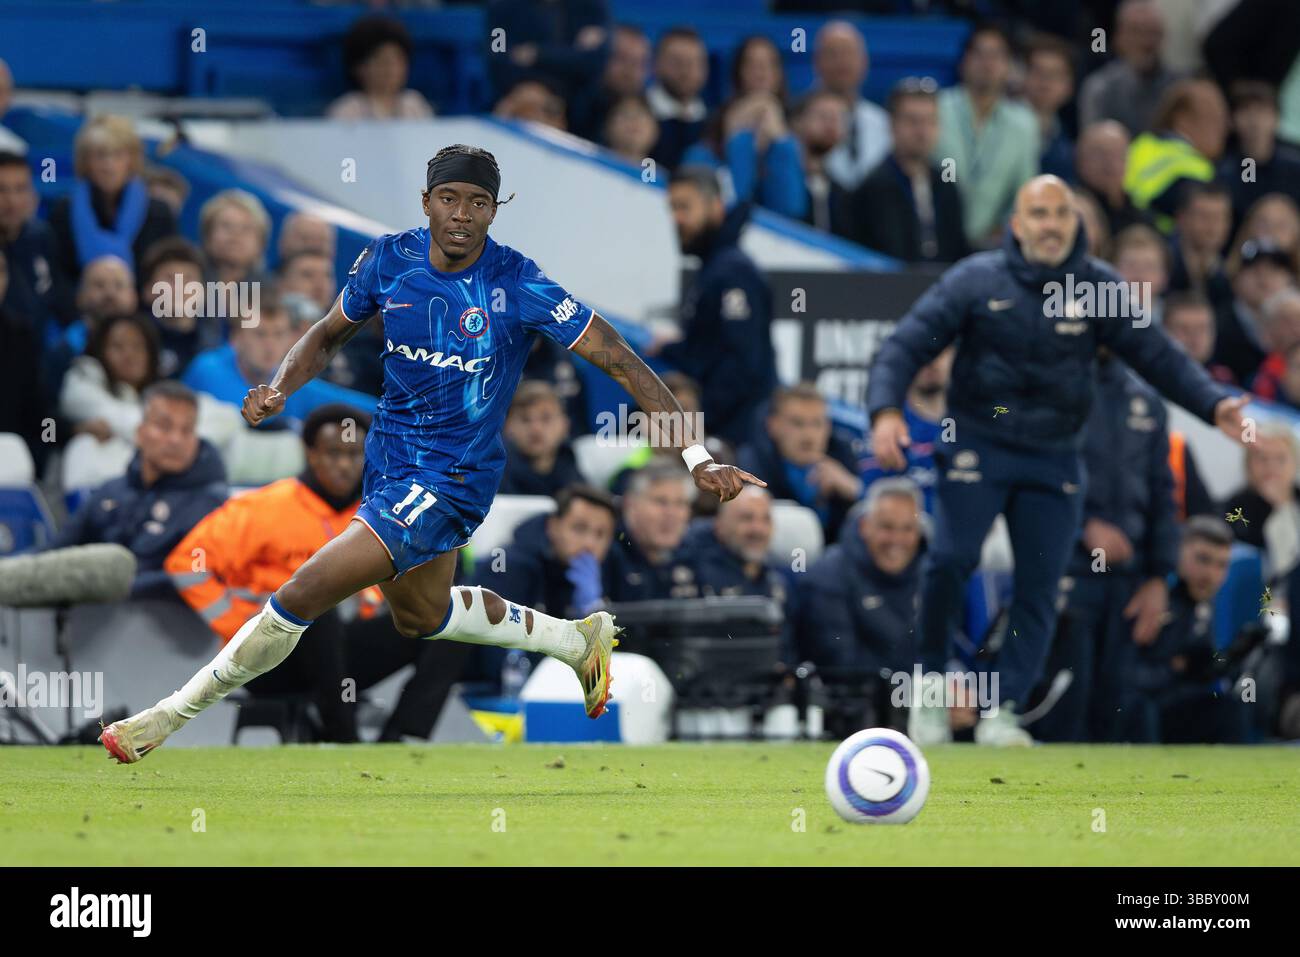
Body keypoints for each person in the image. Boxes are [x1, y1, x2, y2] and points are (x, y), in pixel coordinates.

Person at [100, 143, 762, 763]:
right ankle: (573, 639)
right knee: (422, 616)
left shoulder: (517, 282)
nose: (463, 215)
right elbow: (328, 334)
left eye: (478, 202)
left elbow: (618, 358)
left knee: (304, 589)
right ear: (426, 201)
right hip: (389, 464)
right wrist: (278, 384)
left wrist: (697, 458)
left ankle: (164, 719)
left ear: (495, 211)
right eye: (451, 198)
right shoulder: (388, 260)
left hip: (454, 477)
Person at [868, 174, 1247, 747]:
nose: (1050, 225)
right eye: (1038, 214)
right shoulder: (976, 279)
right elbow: (907, 343)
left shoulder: (1099, 288)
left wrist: (1212, 401)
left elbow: (1157, 354)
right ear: (1016, 225)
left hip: (1054, 457)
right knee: (950, 558)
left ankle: (1004, 708)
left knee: (1042, 585)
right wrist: (883, 412)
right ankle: (926, 690)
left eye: (1061, 214)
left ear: (1078, 224)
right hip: (979, 444)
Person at [1033, 348, 1179, 743]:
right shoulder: (1051, 390)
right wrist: (1082, 525)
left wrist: (1158, 578)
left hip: (1129, 581)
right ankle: (1049, 799)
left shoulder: (1145, 400)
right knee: (1066, 701)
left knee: (1118, 704)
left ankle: (1113, 804)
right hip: (1068, 571)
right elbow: (1034, 474)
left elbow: (1163, 494)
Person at [52, 381, 227, 598]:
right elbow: (54, 552)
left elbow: (194, 576)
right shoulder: (109, 491)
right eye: (164, 426)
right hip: (89, 622)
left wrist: (108, 587)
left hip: (168, 626)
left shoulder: (212, 504)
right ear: (140, 433)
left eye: (187, 430)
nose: (176, 440)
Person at [655, 166, 775, 446]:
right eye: (672, 209)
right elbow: (709, 351)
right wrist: (672, 348)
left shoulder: (733, 272)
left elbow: (742, 364)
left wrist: (699, 421)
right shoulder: (715, 267)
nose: (677, 219)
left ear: (716, 206)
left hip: (735, 438)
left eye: (685, 207)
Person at [797, 478, 924, 729]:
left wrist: (953, 691)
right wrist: (923, 695)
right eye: (887, 527)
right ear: (865, 526)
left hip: (921, 713)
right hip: (852, 721)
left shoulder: (930, 575)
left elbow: (945, 648)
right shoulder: (829, 574)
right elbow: (841, 665)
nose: (897, 539)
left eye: (907, 529)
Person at [472, 484, 619, 687]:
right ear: (553, 526)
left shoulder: (599, 573)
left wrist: (593, 612)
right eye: (579, 528)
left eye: (600, 534)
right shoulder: (510, 569)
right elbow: (499, 662)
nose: (589, 543)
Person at [1128, 515, 1251, 743]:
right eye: (1202, 559)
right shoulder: (1153, 595)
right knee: (1141, 709)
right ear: (1177, 551)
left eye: (1221, 565)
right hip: (1139, 709)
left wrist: (1230, 658)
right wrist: (1174, 669)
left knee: (1230, 708)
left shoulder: (1203, 601)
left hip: (1173, 705)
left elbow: (1198, 670)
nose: (1211, 574)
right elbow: (1123, 675)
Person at [182, 292, 378, 424]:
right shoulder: (205, 370)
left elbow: (349, 404)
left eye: (278, 334)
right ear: (236, 338)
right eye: (260, 334)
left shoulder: (295, 382)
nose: (270, 345)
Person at [935, 23, 1039, 250]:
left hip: (994, 245)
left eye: (996, 55)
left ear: (1009, 66)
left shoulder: (1024, 123)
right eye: (979, 54)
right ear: (964, 62)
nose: (987, 63)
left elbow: (1024, 190)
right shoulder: (937, 108)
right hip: (936, 234)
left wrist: (1003, 230)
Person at [845, 78, 967, 264]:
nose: (922, 131)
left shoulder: (946, 182)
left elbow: (958, 246)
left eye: (930, 121)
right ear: (892, 125)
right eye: (913, 121)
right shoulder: (873, 187)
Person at [46, 115, 177, 280]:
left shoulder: (159, 213)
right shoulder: (63, 211)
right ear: (85, 161)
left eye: (118, 155)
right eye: (100, 155)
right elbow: (57, 276)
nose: (109, 166)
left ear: (132, 159)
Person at [738, 383, 862, 543]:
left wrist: (852, 489)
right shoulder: (750, 465)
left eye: (817, 424)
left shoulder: (845, 457)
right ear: (773, 426)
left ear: (828, 427)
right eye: (798, 423)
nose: (809, 435)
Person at [1125, 79, 1229, 234]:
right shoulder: (1197, 168)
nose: (1224, 129)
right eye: (1214, 119)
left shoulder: (1139, 144)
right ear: (1182, 119)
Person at [860, 348, 952, 515]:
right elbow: (873, 501)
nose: (931, 361)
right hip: (907, 533)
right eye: (923, 352)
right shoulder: (889, 424)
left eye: (939, 352)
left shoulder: (974, 422)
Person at [1078, 0, 1181, 136]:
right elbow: (1094, 142)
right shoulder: (1100, 87)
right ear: (1118, 37)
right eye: (1137, 31)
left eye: (1153, 32)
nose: (1146, 41)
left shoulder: (1179, 86)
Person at [0, 150, 72, 337]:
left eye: (20, 189)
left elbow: (60, 299)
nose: (12, 201)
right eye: (2, 190)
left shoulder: (41, 236)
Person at [604, 462, 699, 602]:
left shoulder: (692, 554)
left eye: (680, 503)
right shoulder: (606, 554)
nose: (671, 514)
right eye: (661, 502)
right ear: (630, 505)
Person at [813, 21, 890, 192]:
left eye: (848, 53)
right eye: (833, 53)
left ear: (864, 62)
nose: (841, 62)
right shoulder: (800, 121)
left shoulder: (884, 123)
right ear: (817, 62)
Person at [1213, 238, 1297, 385]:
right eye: (1255, 270)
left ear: (1289, 279)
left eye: (1274, 270)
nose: (1264, 279)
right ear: (1236, 277)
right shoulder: (1218, 325)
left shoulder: (1295, 325)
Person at [1217, 81, 1300, 222]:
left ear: (1276, 118)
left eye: (1262, 112)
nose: (1255, 122)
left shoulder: (1294, 167)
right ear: (1232, 120)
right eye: (1246, 112)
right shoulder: (1226, 173)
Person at [327, 14, 434, 121]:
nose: (392, 69)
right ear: (359, 66)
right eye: (383, 62)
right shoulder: (346, 109)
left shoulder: (415, 104)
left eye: (399, 61)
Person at [498, 379, 586, 496]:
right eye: (525, 419)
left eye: (546, 418)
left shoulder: (569, 462)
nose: (535, 428)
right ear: (507, 426)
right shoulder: (495, 473)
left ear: (565, 425)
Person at [645, 27, 709, 172]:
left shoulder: (714, 122)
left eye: (693, 63)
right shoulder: (635, 112)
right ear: (655, 64)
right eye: (677, 62)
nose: (685, 70)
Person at [1075, 121, 1149, 237]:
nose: (1111, 164)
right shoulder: (1073, 208)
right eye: (1100, 155)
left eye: (1119, 155)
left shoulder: (1141, 214)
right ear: (1080, 159)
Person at [1023, 34, 1077, 183]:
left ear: (1069, 86)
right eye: (1038, 72)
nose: (1045, 82)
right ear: (1023, 76)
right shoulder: (1001, 127)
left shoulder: (1065, 142)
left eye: (1055, 75)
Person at [199, 189, 272, 287]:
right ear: (208, 234)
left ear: (261, 243)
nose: (235, 234)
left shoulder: (270, 294)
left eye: (246, 228)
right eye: (226, 226)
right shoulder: (182, 279)